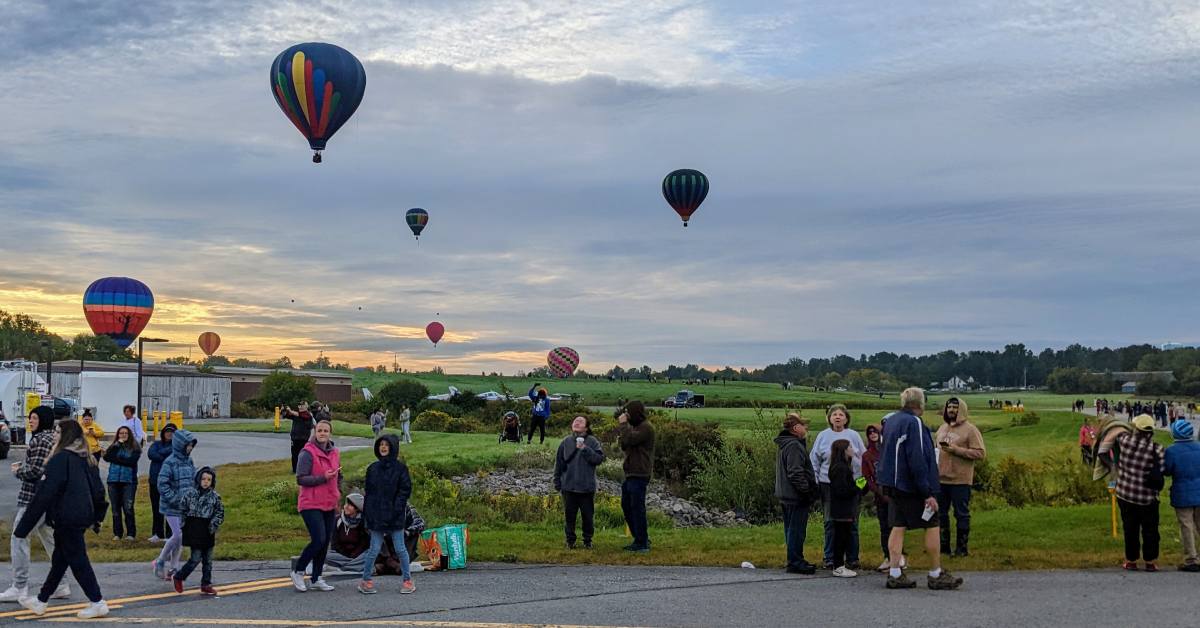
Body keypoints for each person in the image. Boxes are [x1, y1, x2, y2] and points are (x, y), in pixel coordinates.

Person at [14, 419, 110, 619]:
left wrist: (23, 528)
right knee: (60, 560)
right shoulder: (87, 458)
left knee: (78, 560)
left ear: (65, 436)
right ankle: (41, 600)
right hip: (80, 517)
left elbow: (45, 494)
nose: (54, 435)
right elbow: (99, 491)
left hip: (67, 518)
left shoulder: (60, 459)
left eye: (57, 432)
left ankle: (97, 601)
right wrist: (97, 517)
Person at [878, 388, 962, 590]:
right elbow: (917, 457)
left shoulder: (891, 421)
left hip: (892, 483)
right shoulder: (913, 422)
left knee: (898, 525)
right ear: (920, 403)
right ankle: (935, 572)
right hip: (911, 485)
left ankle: (895, 572)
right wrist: (927, 491)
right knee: (932, 523)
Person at [1, 406, 70, 603]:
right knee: (49, 539)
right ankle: (61, 583)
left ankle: (19, 586)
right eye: (30, 417)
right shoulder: (50, 438)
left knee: (18, 537)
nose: (30, 421)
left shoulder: (40, 440)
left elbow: (36, 471)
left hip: (34, 499)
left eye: (34, 418)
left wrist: (18, 470)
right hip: (49, 499)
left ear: (44, 420)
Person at [1098, 414, 1165, 571]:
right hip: (1147, 497)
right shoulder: (1158, 449)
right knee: (1150, 530)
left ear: (1136, 429)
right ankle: (1150, 561)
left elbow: (1105, 448)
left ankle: (1131, 561)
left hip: (1126, 494)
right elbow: (1162, 469)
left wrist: (1112, 467)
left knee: (1130, 529)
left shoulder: (1125, 441)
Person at [356, 434, 416, 595]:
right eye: (381, 444)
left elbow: (404, 492)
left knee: (400, 548)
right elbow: (369, 494)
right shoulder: (372, 469)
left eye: (386, 445)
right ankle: (366, 580)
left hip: (395, 515)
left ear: (393, 447)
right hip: (376, 516)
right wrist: (367, 515)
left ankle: (407, 580)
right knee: (374, 549)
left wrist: (396, 509)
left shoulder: (401, 469)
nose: (383, 447)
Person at [810, 404, 865, 569]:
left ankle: (853, 557)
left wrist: (862, 482)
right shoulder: (823, 436)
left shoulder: (853, 436)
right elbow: (814, 460)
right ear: (829, 418)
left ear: (846, 418)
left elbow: (863, 458)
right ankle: (830, 557)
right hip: (828, 483)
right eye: (834, 414)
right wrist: (815, 481)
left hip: (852, 483)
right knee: (830, 521)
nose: (838, 417)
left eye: (841, 414)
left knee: (852, 522)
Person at [292, 420, 341, 593]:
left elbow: (338, 476)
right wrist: (322, 478)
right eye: (319, 430)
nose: (322, 433)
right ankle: (298, 570)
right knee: (318, 538)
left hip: (329, 501)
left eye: (325, 430)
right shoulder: (307, 453)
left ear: (330, 433)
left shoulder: (335, 452)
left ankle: (316, 577)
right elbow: (301, 478)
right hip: (310, 502)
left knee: (325, 540)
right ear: (315, 432)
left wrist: (337, 495)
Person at [934, 398, 986, 557]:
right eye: (949, 406)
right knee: (941, 513)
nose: (951, 410)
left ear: (961, 410)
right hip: (941, 479)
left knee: (961, 514)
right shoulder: (942, 428)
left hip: (960, 479)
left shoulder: (970, 430)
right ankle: (944, 548)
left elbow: (980, 453)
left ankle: (961, 548)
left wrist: (957, 450)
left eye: (955, 407)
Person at [774, 412, 817, 574]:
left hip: (786, 494)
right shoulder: (793, 445)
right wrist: (807, 491)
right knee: (796, 530)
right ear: (796, 428)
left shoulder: (786, 444)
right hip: (795, 495)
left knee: (791, 529)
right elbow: (795, 473)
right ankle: (795, 561)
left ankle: (795, 558)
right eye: (803, 425)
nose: (806, 428)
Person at [554, 416, 605, 549]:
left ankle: (587, 540)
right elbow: (558, 463)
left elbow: (599, 459)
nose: (576, 422)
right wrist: (557, 480)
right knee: (569, 516)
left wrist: (584, 448)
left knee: (588, 517)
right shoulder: (566, 441)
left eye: (580, 421)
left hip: (586, 488)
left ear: (586, 428)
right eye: (575, 420)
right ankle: (570, 541)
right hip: (568, 486)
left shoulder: (593, 442)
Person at [154, 429, 198, 580]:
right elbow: (162, 484)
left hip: (185, 507)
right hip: (171, 506)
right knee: (178, 535)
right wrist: (173, 498)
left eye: (192, 446)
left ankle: (173, 567)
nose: (190, 448)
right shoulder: (169, 462)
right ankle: (160, 561)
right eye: (188, 445)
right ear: (180, 445)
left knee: (180, 538)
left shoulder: (189, 461)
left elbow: (194, 479)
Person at [173, 467, 224, 596]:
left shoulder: (215, 497)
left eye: (209, 480)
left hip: (207, 529)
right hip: (194, 528)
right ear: (198, 479)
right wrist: (184, 523)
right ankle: (179, 576)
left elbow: (220, 512)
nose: (206, 482)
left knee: (208, 559)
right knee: (195, 558)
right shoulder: (190, 494)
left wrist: (213, 524)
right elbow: (182, 508)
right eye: (203, 479)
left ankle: (206, 584)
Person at [862, 423, 905, 572]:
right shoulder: (867, 455)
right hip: (880, 496)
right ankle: (887, 557)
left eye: (875, 432)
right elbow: (867, 478)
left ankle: (899, 556)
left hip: (894, 494)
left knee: (897, 526)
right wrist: (878, 492)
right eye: (870, 433)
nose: (873, 434)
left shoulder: (889, 451)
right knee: (884, 528)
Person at [617, 401, 654, 552]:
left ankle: (641, 542)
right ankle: (640, 537)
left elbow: (629, 440)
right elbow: (624, 444)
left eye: (628, 412)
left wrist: (623, 425)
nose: (626, 415)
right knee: (627, 505)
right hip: (631, 472)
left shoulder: (646, 428)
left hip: (640, 473)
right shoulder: (636, 428)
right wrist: (625, 430)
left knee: (637, 508)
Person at [1164, 419, 1200, 572]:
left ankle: (1191, 559)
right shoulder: (1199, 448)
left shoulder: (1172, 451)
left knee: (1186, 525)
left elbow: (1166, 470)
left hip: (1182, 492)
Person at [828, 440, 866, 578]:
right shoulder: (840, 468)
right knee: (841, 537)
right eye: (849, 446)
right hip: (842, 509)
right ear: (843, 450)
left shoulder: (843, 466)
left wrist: (862, 484)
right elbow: (843, 490)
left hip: (843, 508)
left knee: (843, 536)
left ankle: (839, 564)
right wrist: (860, 484)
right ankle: (838, 566)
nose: (852, 449)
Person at [103, 426, 142, 541]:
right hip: (113, 481)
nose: (123, 435)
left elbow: (131, 462)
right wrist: (117, 446)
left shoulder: (135, 448)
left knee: (128, 508)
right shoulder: (114, 446)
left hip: (128, 481)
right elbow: (106, 457)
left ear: (129, 435)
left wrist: (115, 459)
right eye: (121, 433)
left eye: (125, 433)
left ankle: (131, 533)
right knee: (115, 509)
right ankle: (117, 533)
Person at [146, 424, 177, 542]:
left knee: (169, 508)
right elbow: (151, 454)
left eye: (172, 432)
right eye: (167, 431)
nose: (169, 434)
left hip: (170, 482)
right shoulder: (156, 444)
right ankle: (157, 533)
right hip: (155, 480)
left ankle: (170, 534)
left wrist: (161, 454)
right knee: (156, 508)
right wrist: (166, 453)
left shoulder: (177, 447)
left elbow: (172, 456)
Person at [286, 403, 316, 473]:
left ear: (306, 407)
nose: (301, 407)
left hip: (304, 439)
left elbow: (300, 415)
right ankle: (295, 470)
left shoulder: (308, 415)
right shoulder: (296, 415)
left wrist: (290, 411)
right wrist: (285, 411)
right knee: (294, 455)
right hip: (295, 438)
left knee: (303, 455)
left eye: (303, 405)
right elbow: (287, 415)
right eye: (299, 405)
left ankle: (304, 469)